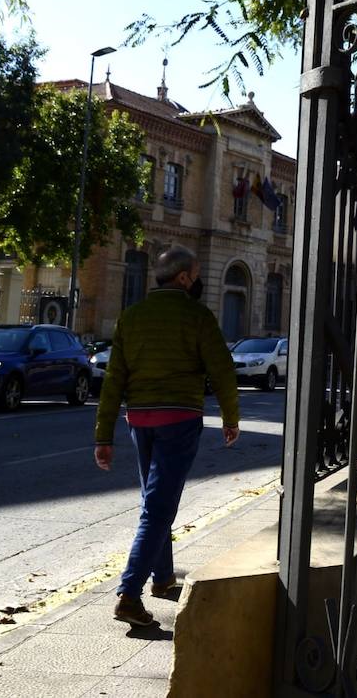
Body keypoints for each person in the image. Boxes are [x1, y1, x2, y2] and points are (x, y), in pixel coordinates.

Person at [94, 245, 240, 627]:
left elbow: (114, 380)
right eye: (195, 273)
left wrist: (103, 435)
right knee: (158, 507)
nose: (198, 280)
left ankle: (163, 578)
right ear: (183, 278)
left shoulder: (131, 316)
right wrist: (230, 417)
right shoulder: (198, 316)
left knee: (155, 500)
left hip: (139, 420)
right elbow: (222, 370)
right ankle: (129, 593)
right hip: (179, 418)